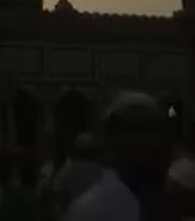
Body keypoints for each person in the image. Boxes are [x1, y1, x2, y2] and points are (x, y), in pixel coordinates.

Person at [64, 92, 171, 221]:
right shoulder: (91, 209)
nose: (145, 141)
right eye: (134, 130)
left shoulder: (171, 202)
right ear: (111, 140)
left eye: (152, 130)